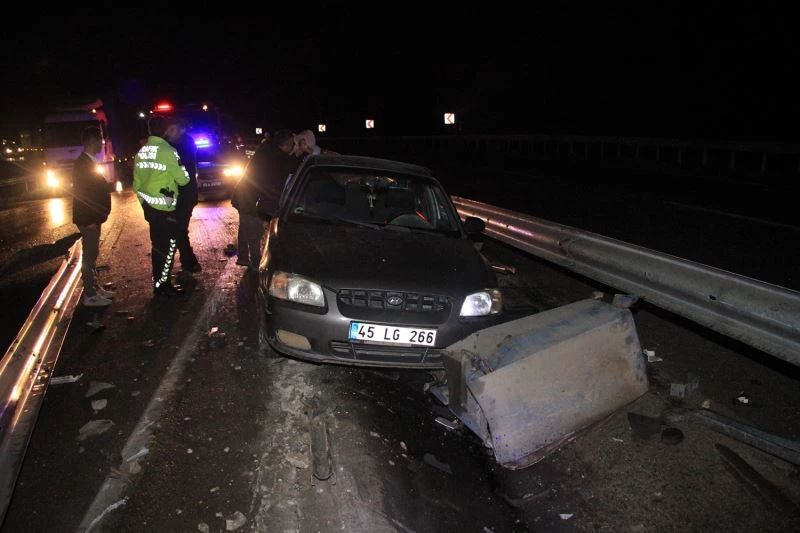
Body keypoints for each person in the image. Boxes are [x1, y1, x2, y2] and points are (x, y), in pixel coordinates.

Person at [133, 115, 191, 297]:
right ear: (165, 130)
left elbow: (136, 184)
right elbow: (184, 180)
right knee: (169, 246)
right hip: (166, 209)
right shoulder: (169, 151)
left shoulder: (141, 152)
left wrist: (145, 204)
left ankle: (158, 282)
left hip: (150, 208)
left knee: (157, 246)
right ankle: (163, 285)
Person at [231, 129, 297, 271]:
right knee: (255, 231)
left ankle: (243, 257)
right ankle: (256, 263)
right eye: (292, 144)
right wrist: (302, 152)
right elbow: (294, 166)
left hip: (244, 195)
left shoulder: (267, 149)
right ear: (286, 144)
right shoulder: (279, 157)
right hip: (254, 199)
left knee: (245, 227)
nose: (293, 147)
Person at [71, 126, 114, 307]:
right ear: (92, 142)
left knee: (93, 255)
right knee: (89, 257)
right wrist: (88, 220)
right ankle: (90, 294)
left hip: (93, 218)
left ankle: (95, 288)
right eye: (100, 141)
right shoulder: (83, 165)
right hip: (88, 220)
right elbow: (82, 196)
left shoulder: (87, 162)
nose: (101, 145)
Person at [165, 115, 201, 273]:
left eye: (172, 129)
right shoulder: (181, 144)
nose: (168, 133)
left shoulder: (182, 146)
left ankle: (189, 261)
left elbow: (178, 171)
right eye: (168, 129)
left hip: (184, 194)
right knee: (178, 228)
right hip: (183, 194)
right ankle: (188, 260)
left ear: (180, 130)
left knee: (178, 228)